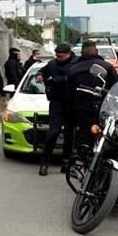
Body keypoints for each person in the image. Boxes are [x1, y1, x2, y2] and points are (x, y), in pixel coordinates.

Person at [68, 40, 118, 153]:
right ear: (96, 51)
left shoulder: (73, 69)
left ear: (81, 52)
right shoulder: (107, 67)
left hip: (81, 108)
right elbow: (117, 89)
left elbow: (69, 92)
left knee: (83, 137)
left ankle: (82, 158)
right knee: (108, 136)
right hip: (104, 108)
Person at [35, 44, 77, 176]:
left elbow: (71, 79)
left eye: (61, 56)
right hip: (57, 102)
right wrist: (40, 75)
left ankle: (66, 164)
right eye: (57, 56)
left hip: (72, 102)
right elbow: (42, 70)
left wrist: (53, 81)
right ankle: (44, 163)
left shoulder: (77, 63)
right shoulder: (53, 64)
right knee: (53, 132)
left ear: (69, 53)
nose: (58, 58)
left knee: (70, 135)